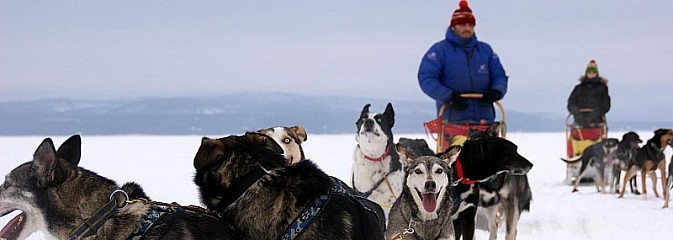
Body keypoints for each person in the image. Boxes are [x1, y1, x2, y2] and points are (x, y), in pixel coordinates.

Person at [418, 0, 508, 145]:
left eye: (470, 25)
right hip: (454, 122)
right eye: (462, 24)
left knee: (494, 158)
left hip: (485, 122)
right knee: (460, 157)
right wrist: (449, 96)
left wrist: (496, 91)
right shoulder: (439, 51)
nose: (467, 28)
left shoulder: (486, 51)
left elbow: (499, 76)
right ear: (453, 26)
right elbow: (426, 78)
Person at [567, 59, 610, 128]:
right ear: (586, 73)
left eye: (593, 72)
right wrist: (577, 114)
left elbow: (605, 105)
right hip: (579, 121)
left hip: (597, 122)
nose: (591, 74)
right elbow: (571, 103)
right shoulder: (578, 88)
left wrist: (593, 115)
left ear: (597, 74)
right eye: (589, 72)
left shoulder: (602, 88)